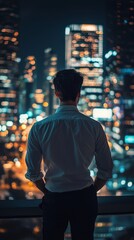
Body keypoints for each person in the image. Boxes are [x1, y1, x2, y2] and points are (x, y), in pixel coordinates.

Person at [25, 69, 113, 240]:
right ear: (79, 93)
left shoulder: (39, 127)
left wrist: (48, 192)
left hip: (54, 198)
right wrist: (90, 191)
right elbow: (106, 169)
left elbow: (33, 172)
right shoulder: (94, 127)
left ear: (57, 93)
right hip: (84, 198)